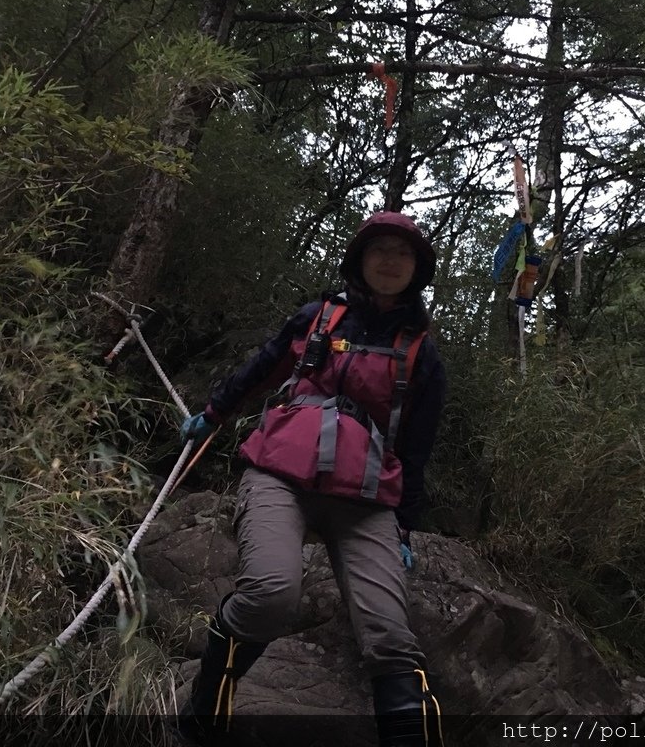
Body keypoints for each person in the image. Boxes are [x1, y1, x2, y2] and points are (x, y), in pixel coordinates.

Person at [175, 211, 447, 747]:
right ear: (360, 259)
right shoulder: (318, 319)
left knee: (391, 637)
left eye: (402, 253)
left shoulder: (422, 353)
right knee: (272, 595)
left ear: (417, 269)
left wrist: (405, 529)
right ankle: (201, 719)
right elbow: (262, 369)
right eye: (379, 249)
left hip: (366, 498)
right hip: (281, 473)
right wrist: (214, 413)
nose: (390, 261)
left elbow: (416, 449)